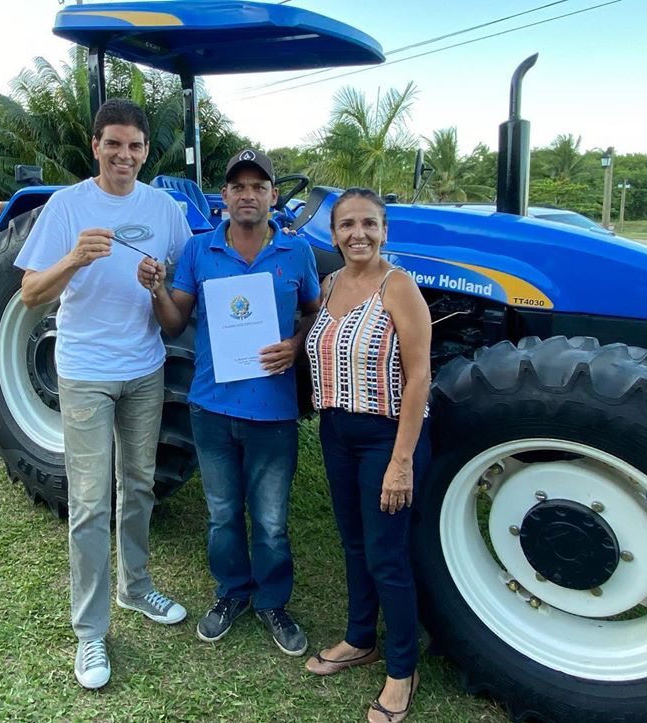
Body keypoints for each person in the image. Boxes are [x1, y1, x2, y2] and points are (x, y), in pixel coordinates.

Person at [14, 98, 191, 690]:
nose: (124, 155)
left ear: (146, 152)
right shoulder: (66, 207)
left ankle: (135, 587)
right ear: (95, 146)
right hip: (86, 371)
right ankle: (90, 632)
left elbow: (178, 287)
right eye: (113, 143)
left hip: (144, 367)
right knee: (90, 503)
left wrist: (158, 283)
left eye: (135, 146)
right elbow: (33, 293)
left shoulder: (164, 208)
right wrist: (74, 257)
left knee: (138, 485)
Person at [137, 149, 320, 657]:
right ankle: (231, 593)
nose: (247, 194)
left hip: (273, 411)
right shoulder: (199, 251)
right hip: (212, 407)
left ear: (272, 196)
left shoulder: (296, 253)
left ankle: (272, 602)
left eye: (258, 186)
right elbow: (175, 324)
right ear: (225, 197)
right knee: (221, 514)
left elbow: (312, 312)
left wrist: (297, 345)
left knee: (270, 520)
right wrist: (155, 291)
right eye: (237, 186)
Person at [303, 188, 432, 723]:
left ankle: (403, 667)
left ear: (384, 231)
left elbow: (422, 374)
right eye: (347, 225)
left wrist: (401, 460)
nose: (358, 234)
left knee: (386, 553)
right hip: (336, 431)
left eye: (369, 224)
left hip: (386, 436)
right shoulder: (329, 285)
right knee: (354, 543)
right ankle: (360, 639)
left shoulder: (397, 286)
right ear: (333, 234)